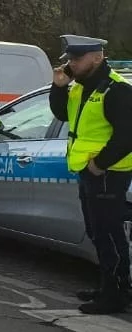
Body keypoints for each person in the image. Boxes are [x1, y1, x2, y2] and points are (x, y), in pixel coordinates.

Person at [49, 35, 132, 315]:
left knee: (109, 234)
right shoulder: (80, 88)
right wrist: (58, 87)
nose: (71, 63)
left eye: (76, 59)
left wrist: (101, 163)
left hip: (108, 173)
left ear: (97, 57)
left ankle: (117, 294)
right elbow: (61, 115)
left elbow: (127, 134)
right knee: (97, 232)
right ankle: (108, 286)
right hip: (88, 171)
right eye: (69, 59)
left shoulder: (117, 90)